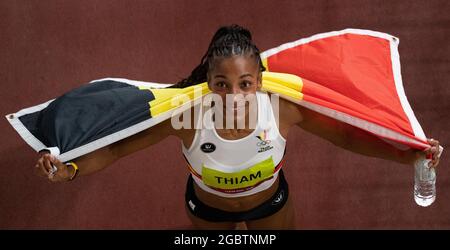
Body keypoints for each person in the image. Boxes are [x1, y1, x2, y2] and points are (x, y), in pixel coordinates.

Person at [34, 24, 441, 229]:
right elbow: (117, 147)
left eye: (245, 84)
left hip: (273, 207)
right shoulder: (188, 116)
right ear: (207, 84)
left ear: (260, 81)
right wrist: (70, 171)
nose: (234, 95)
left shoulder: (282, 109)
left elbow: (348, 133)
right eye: (222, 84)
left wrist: (406, 157)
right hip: (207, 212)